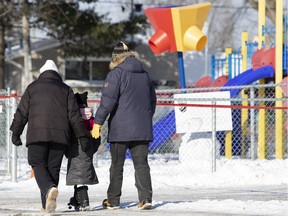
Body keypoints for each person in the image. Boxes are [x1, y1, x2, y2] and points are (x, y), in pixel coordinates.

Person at [10, 60, 90, 213]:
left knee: (37, 162)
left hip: (37, 135)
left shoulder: (32, 88)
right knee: (53, 169)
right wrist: (82, 135)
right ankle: (46, 205)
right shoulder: (66, 89)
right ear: (56, 74)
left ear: (42, 73)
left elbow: (22, 112)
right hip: (60, 137)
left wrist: (16, 132)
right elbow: (74, 116)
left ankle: (49, 189)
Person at [91, 41, 157, 210]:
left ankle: (113, 201)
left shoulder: (116, 74)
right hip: (141, 129)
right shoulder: (146, 75)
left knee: (117, 165)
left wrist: (98, 122)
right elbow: (152, 102)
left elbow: (107, 102)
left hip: (120, 130)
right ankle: (146, 199)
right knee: (142, 164)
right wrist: (144, 119)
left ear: (116, 58)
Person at [66, 91, 100, 211]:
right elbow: (97, 138)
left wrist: (67, 150)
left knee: (79, 176)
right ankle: (76, 200)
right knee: (81, 173)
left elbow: (68, 134)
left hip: (75, 149)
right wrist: (92, 149)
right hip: (88, 148)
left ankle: (84, 202)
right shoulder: (92, 118)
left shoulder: (74, 117)